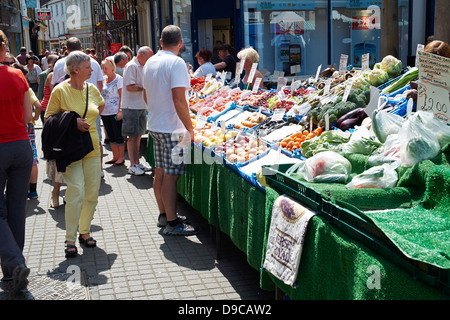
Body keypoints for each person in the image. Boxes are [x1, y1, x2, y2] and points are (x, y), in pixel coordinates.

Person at [45, 51, 105, 258]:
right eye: (89, 67)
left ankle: (85, 231)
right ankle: (70, 238)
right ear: (75, 69)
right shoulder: (60, 91)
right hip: (71, 150)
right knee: (76, 191)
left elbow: (100, 105)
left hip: (92, 148)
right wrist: (72, 121)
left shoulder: (92, 89)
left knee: (91, 192)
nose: (92, 70)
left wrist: (89, 118)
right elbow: (48, 119)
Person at [143, 25, 198, 236]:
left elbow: (147, 96)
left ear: (160, 42)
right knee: (172, 176)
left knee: (160, 172)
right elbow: (179, 99)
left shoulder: (150, 62)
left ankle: (164, 215)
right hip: (174, 129)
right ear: (180, 43)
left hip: (156, 124)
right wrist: (189, 129)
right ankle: (173, 223)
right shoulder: (176, 63)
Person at [0, 30, 33, 293]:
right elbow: (28, 116)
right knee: (16, 208)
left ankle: (15, 263)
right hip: (21, 146)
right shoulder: (18, 74)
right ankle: (13, 273)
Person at [121, 46, 153, 176]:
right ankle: (133, 165)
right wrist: (146, 87)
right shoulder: (131, 66)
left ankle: (137, 162)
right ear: (141, 56)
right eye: (149, 57)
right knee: (132, 137)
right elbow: (130, 87)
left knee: (138, 136)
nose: (150, 60)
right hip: (131, 106)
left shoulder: (142, 65)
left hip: (140, 106)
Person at [11, 63, 42, 200]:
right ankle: (33, 190)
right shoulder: (27, 89)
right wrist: (35, 118)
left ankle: (18, 190)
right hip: (28, 126)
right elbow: (38, 105)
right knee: (32, 158)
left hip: (14, 126)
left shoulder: (10, 88)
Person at [101, 57, 125, 166]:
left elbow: (122, 96)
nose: (104, 70)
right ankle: (115, 157)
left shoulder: (119, 79)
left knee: (118, 134)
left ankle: (121, 158)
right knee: (110, 135)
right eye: (103, 68)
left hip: (115, 112)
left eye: (106, 68)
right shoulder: (103, 79)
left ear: (112, 68)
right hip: (105, 112)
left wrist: (120, 111)